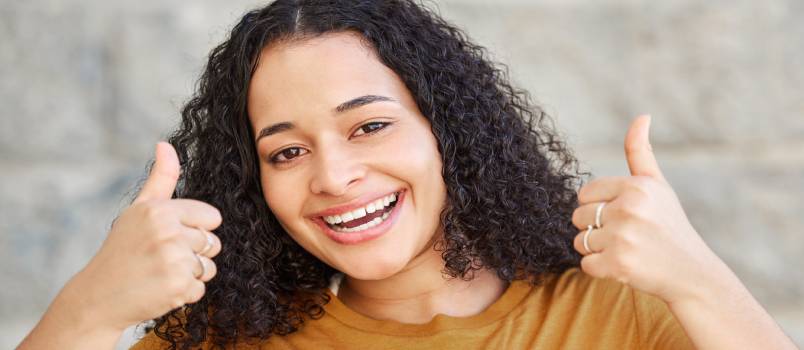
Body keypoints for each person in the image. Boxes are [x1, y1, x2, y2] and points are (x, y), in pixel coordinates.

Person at [18, 1, 797, 349]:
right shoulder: (227, 343)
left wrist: (700, 279)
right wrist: (88, 311)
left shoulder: (618, 315)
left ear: (446, 133)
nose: (334, 175)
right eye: (286, 151)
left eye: (370, 126)